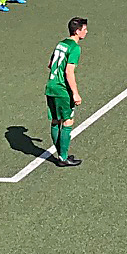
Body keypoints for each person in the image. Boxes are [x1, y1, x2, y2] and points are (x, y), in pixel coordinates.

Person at [44, 16, 88, 169]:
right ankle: (63, 157)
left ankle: (61, 154)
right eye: (84, 29)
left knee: (55, 121)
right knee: (68, 121)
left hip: (51, 87)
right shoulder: (75, 48)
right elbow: (69, 72)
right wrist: (75, 93)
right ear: (77, 31)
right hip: (62, 90)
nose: (86, 32)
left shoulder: (61, 44)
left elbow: (50, 64)